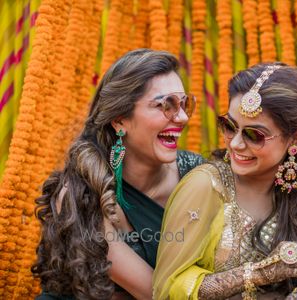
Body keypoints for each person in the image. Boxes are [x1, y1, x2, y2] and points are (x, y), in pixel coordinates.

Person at [153, 63, 297, 299]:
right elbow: (170, 286)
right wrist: (259, 274)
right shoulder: (206, 186)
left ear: (295, 137)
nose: (235, 144)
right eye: (229, 126)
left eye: (254, 135)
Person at [32, 49, 204, 299]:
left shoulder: (195, 174)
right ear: (120, 119)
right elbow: (156, 293)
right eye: (165, 105)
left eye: (185, 103)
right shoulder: (81, 191)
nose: (183, 117)